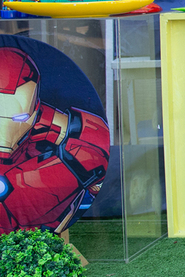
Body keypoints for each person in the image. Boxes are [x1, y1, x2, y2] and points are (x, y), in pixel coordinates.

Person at [0, 47, 109, 233]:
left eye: (19, 118)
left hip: (40, 235)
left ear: (34, 107)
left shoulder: (69, 130)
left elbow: (91, 144)